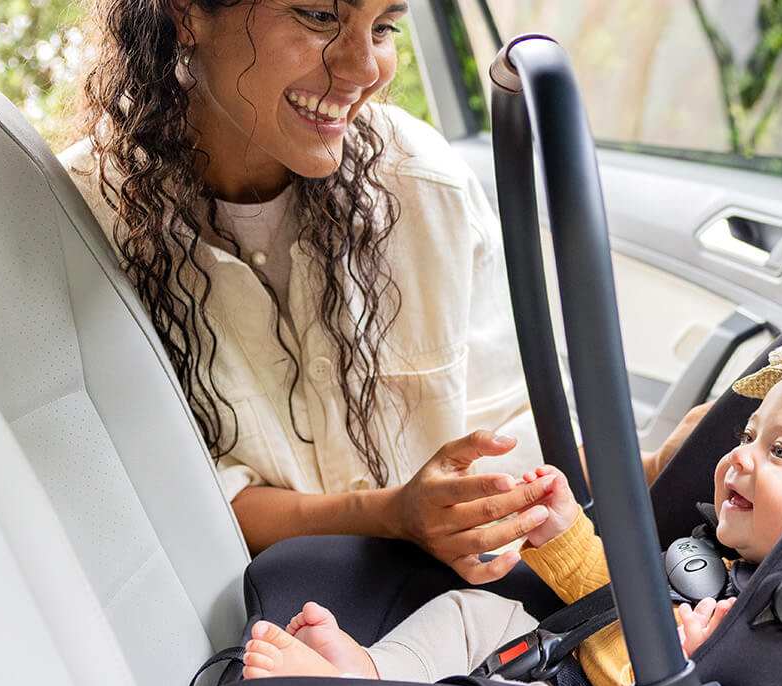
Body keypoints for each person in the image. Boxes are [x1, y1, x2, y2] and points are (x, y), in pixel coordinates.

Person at [58, 0, 696, 580]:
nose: (363, 68)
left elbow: (506, 426)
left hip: (458, 613)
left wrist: (653, 467)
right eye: (317, 15)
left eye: (384, 27)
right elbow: (180, 498)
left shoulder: (422, 183)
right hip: (266, 633)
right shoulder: (82, 221)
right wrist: (391, 515)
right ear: (189, 13)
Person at [241, 328, 782, 686]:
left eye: (780, 455)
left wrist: (695, 672)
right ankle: (372, 676)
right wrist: (565, 533)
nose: (738, 458)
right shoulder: (716, 556)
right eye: (748, 437)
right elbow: (613, 601)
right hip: (564, 653)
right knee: (473, 612)